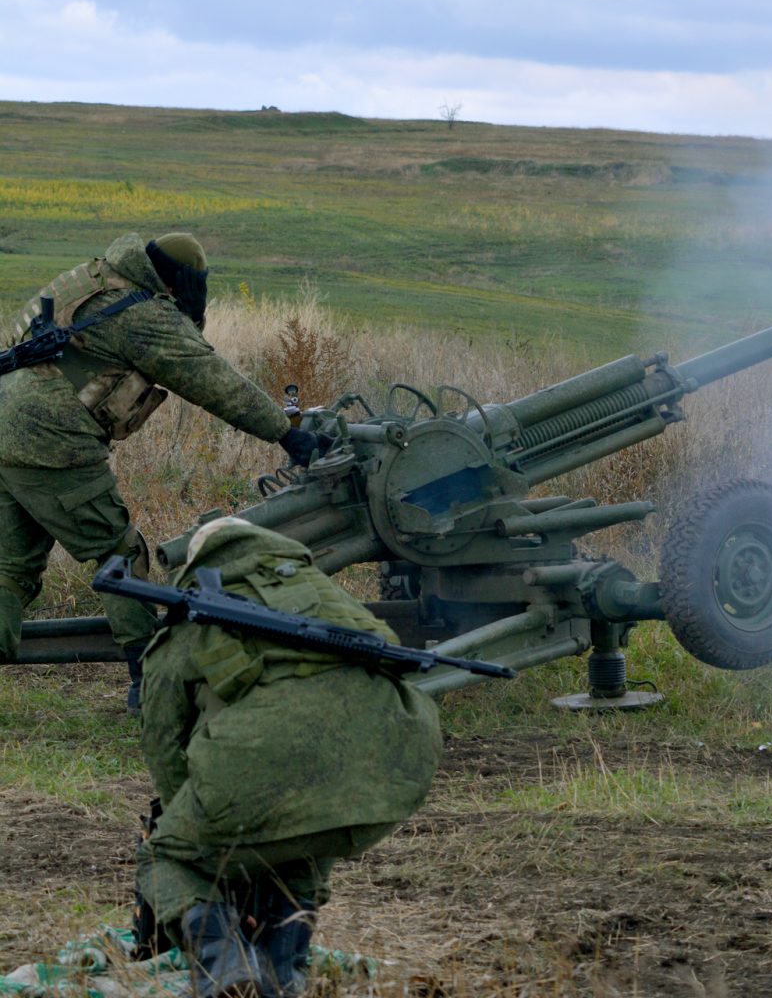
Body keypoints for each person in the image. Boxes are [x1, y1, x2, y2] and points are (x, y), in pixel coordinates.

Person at [0, 232, 324, 707]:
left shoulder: (92, 278)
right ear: (180, 282)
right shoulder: (143, 313)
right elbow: (213, 381)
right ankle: (146, 680)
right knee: (118, 552)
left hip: (6, 425)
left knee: (9, 567)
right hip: (50, 439)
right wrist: (286, 432)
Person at [135, 517, 441, 998]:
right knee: (306, 830)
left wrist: (201, 823)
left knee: (166, 858)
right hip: (398, 763)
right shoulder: (327, 600)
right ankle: (285, 969)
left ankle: (225, 966)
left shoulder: (194, 618)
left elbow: (163, 741)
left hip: (265, 759)